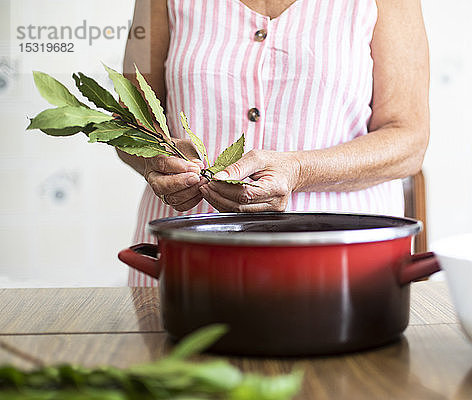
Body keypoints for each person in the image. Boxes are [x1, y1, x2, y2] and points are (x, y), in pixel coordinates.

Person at [119, 0, 430, 286]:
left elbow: (409, 138)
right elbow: (127, 121)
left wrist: (299, 170)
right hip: (182, 267)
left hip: (347, 273)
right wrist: (155, 158)